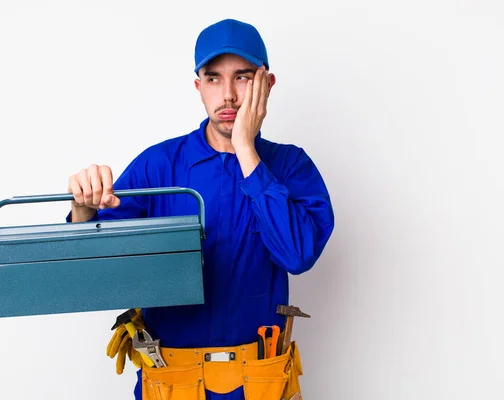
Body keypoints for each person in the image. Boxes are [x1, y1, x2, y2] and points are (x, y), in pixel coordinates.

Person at [67, 18, 334, 400]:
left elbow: (297, 255)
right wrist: (83, 208)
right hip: (173, 381)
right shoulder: (158, 165)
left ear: (267, 84)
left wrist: (245, 148)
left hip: (260, 381)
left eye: (242, 77)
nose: (228, 95)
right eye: (213, 79)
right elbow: (92, 267)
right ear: (199, 87)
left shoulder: (291, 167)